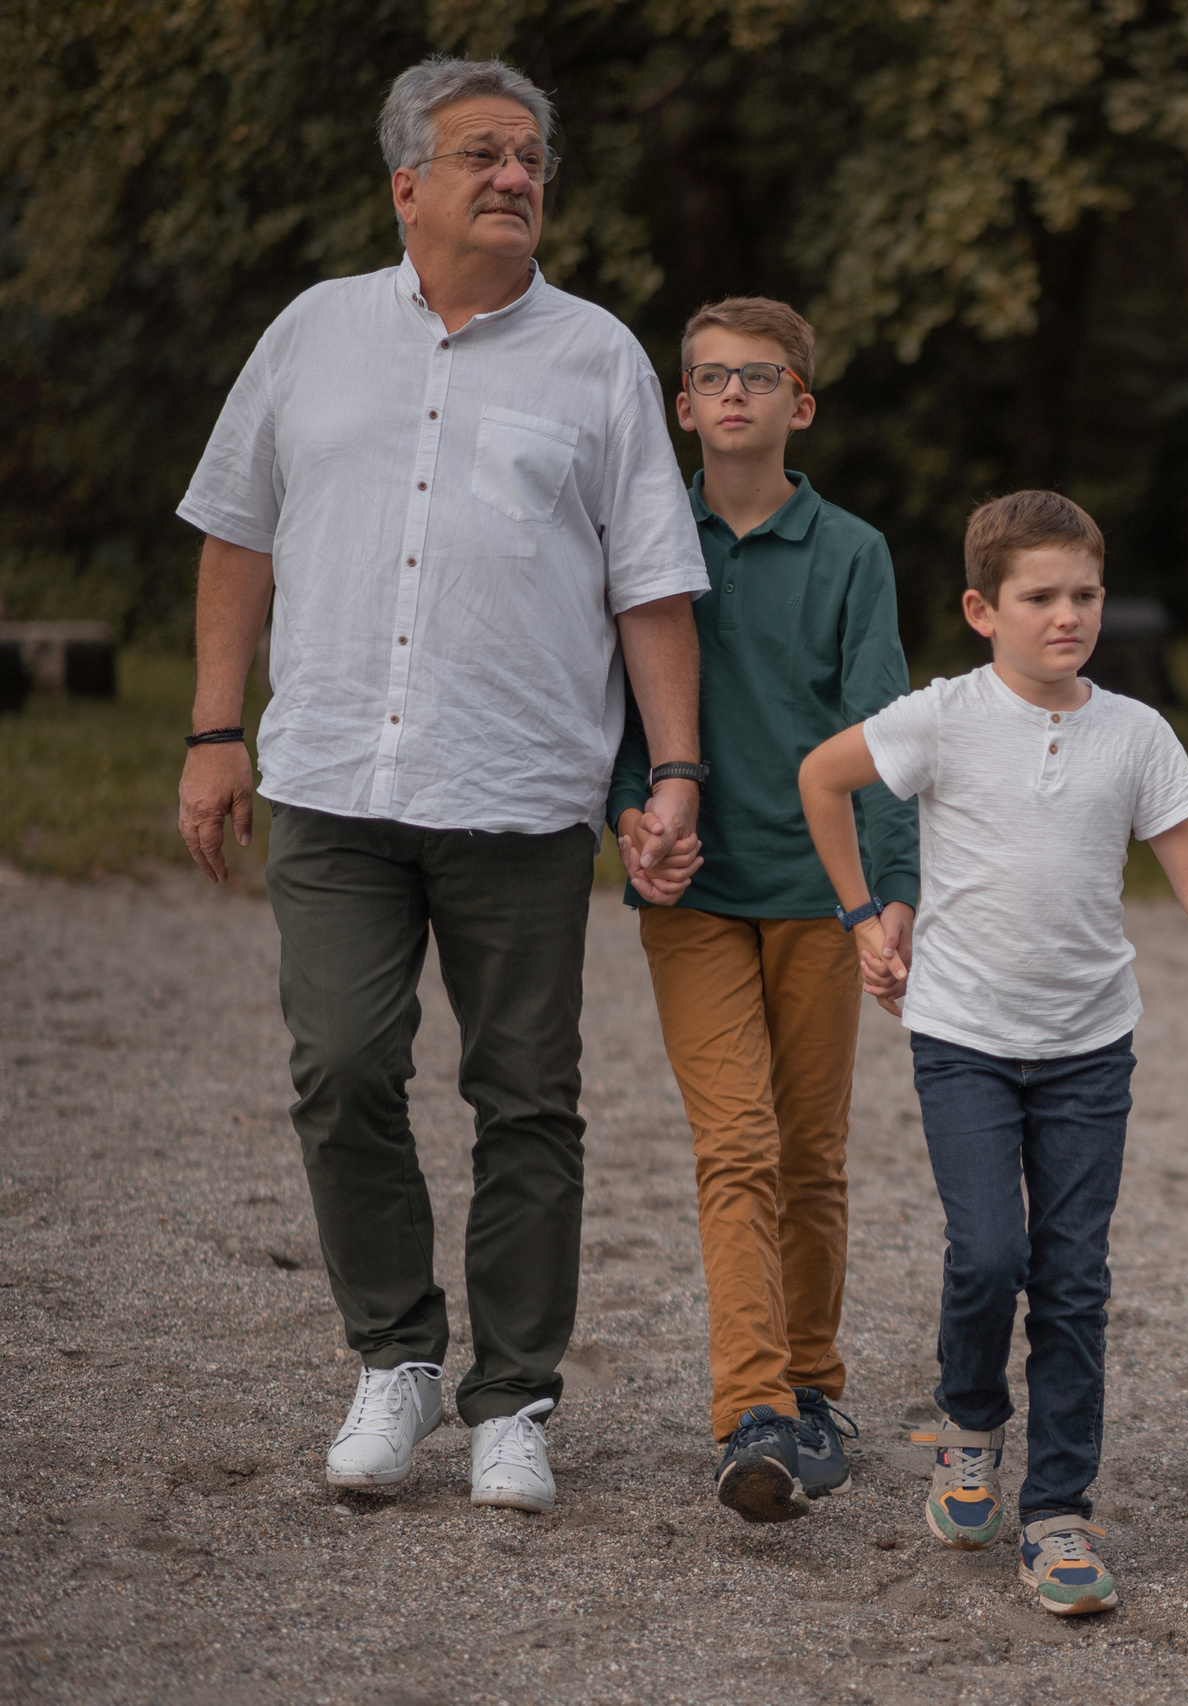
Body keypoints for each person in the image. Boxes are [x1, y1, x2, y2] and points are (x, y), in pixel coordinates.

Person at [173, 56, 709, 1514]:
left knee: (527, 1097)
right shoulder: (312, 331)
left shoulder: (597, 355)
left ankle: (512, 1397)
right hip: (334, 778)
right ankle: (396, 1356)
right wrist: (213, 729)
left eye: (531, 157)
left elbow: (652, 584)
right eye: (483, 153)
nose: (516, 176)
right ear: (405, 184)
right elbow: (236, 531)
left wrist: (673, 768)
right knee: (342, 1067)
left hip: (519, 791)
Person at [794, 489, 1188, 1615]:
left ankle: (1059, 1514)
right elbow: (821, 779)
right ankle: (969, 1424)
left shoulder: (1137, 733)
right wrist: (860, 916)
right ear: (982, 609)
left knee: (1074, 1279)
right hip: (964, 1038)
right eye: (1039, 597)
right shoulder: (941, 717)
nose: (1067, 615)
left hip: (1089, 1048)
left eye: (1084, 594)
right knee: (990, 1255)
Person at [601, 297, 917, 1523]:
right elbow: (614, 706)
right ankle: (753, 1412)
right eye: (712, 376)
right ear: (681, 404)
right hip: (692, 892)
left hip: (819, 893)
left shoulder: (852, 551)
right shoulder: (643, 538)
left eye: (761, 375)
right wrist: (630, 815)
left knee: (810, 1150)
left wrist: (888, 893)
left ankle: (815, 1384)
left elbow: (880, 730)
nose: (734, 392)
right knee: (735, 1143)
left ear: (802, 403)